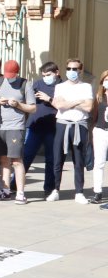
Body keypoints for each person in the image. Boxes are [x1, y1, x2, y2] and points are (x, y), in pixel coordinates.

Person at [0, 60, 35, 205]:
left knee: (16, 160)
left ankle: (20, 193)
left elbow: (33, 108)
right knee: (3, 159)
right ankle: (5, 190)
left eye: (12, 75)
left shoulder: (25, 84)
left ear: (17, 72)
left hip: (16, 127)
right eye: (7, 75)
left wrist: (18, 104)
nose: (9, 78)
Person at [49, 58, 93, 203]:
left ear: (80, 70)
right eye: (69, 69)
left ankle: (79, 192)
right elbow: (59, 105)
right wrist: (78, 101)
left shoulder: (86, 87)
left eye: (74, 69)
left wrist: (68, 103)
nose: (71, 71)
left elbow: (89, 107)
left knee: (78, 160)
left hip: (79, 125)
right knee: (58, 158)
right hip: (62, 124)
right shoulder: (60, 86)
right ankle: (55, 190)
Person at [20, 61, 59, 193]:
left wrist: (48, 99)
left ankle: (49, 188)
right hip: (35, 125)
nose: (45, 78)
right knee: (27, 156)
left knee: (51, 158)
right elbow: (28, 101)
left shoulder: (61, 86)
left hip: (53, 127)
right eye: (43, 75)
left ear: (56, 73)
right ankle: (15, 184)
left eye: (48, 75)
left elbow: (63, 105)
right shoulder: (37, 83)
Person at [92, 69, 108, 204]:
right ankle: (97, 191)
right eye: (106, 80)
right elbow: (94, 115)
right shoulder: (99, 96)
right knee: (99, 162)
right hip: (100, 131)